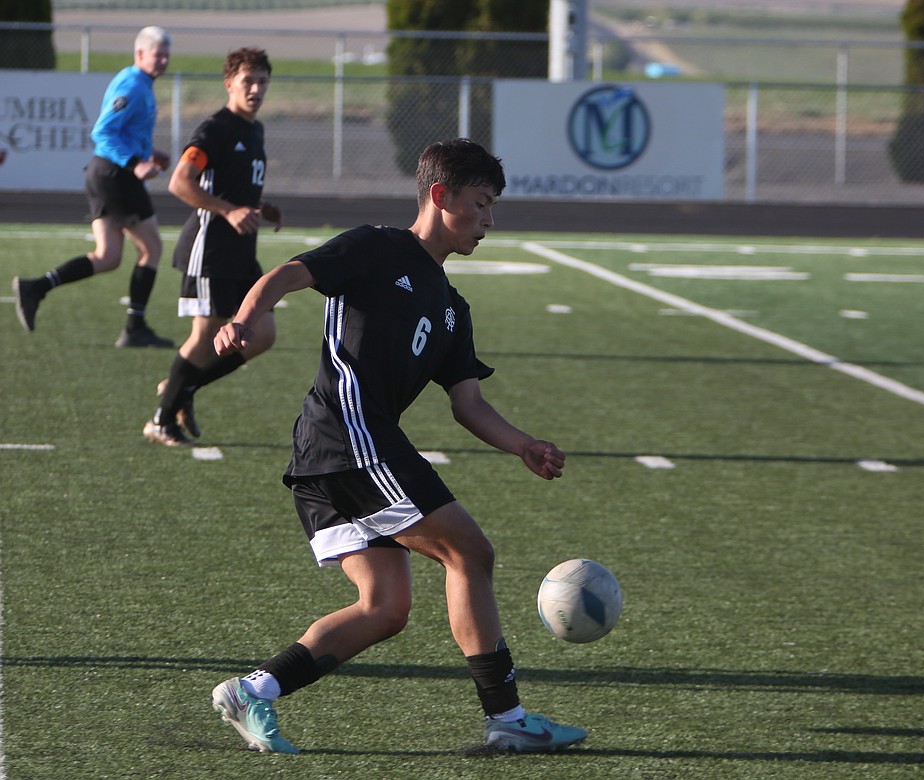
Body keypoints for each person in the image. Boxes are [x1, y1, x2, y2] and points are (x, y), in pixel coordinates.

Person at [208, 138, 587, 754]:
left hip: (339, 450)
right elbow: (285, 275)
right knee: (471, 551)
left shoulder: (452, 309)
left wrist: (524, 445)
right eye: (481, 204)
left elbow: (468, 404)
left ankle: (255, 691)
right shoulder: (376, 247)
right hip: (348, 436)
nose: (489, 221)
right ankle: (509, 720)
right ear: (441, 197)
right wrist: (245, 318)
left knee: (384, 608)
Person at [144, 47, 283, 447]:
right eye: (247, 81)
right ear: (229, 84)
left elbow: (236, 189)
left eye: (262, 81)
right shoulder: (215, 129)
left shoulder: (254, 130)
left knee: (263, 334)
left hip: (240, 252)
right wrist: (229, 211)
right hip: (209, 249)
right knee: (205, 336)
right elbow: (180, 182)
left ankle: (182, 387)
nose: (256, 89)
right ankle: (162, 419)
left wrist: (261, 208)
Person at [12, 26, 174, 348]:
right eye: (158, 55)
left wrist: (148, 154)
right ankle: (134, 327)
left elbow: (123, 132)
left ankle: (36, 288)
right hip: (115, 176)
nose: (164, 61)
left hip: (105, 173)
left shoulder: (140, 82)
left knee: (108, 256)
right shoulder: (132, 84)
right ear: (140, 53)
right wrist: (134, 163)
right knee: (152, 248)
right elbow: (103, 132)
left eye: (167, 55)